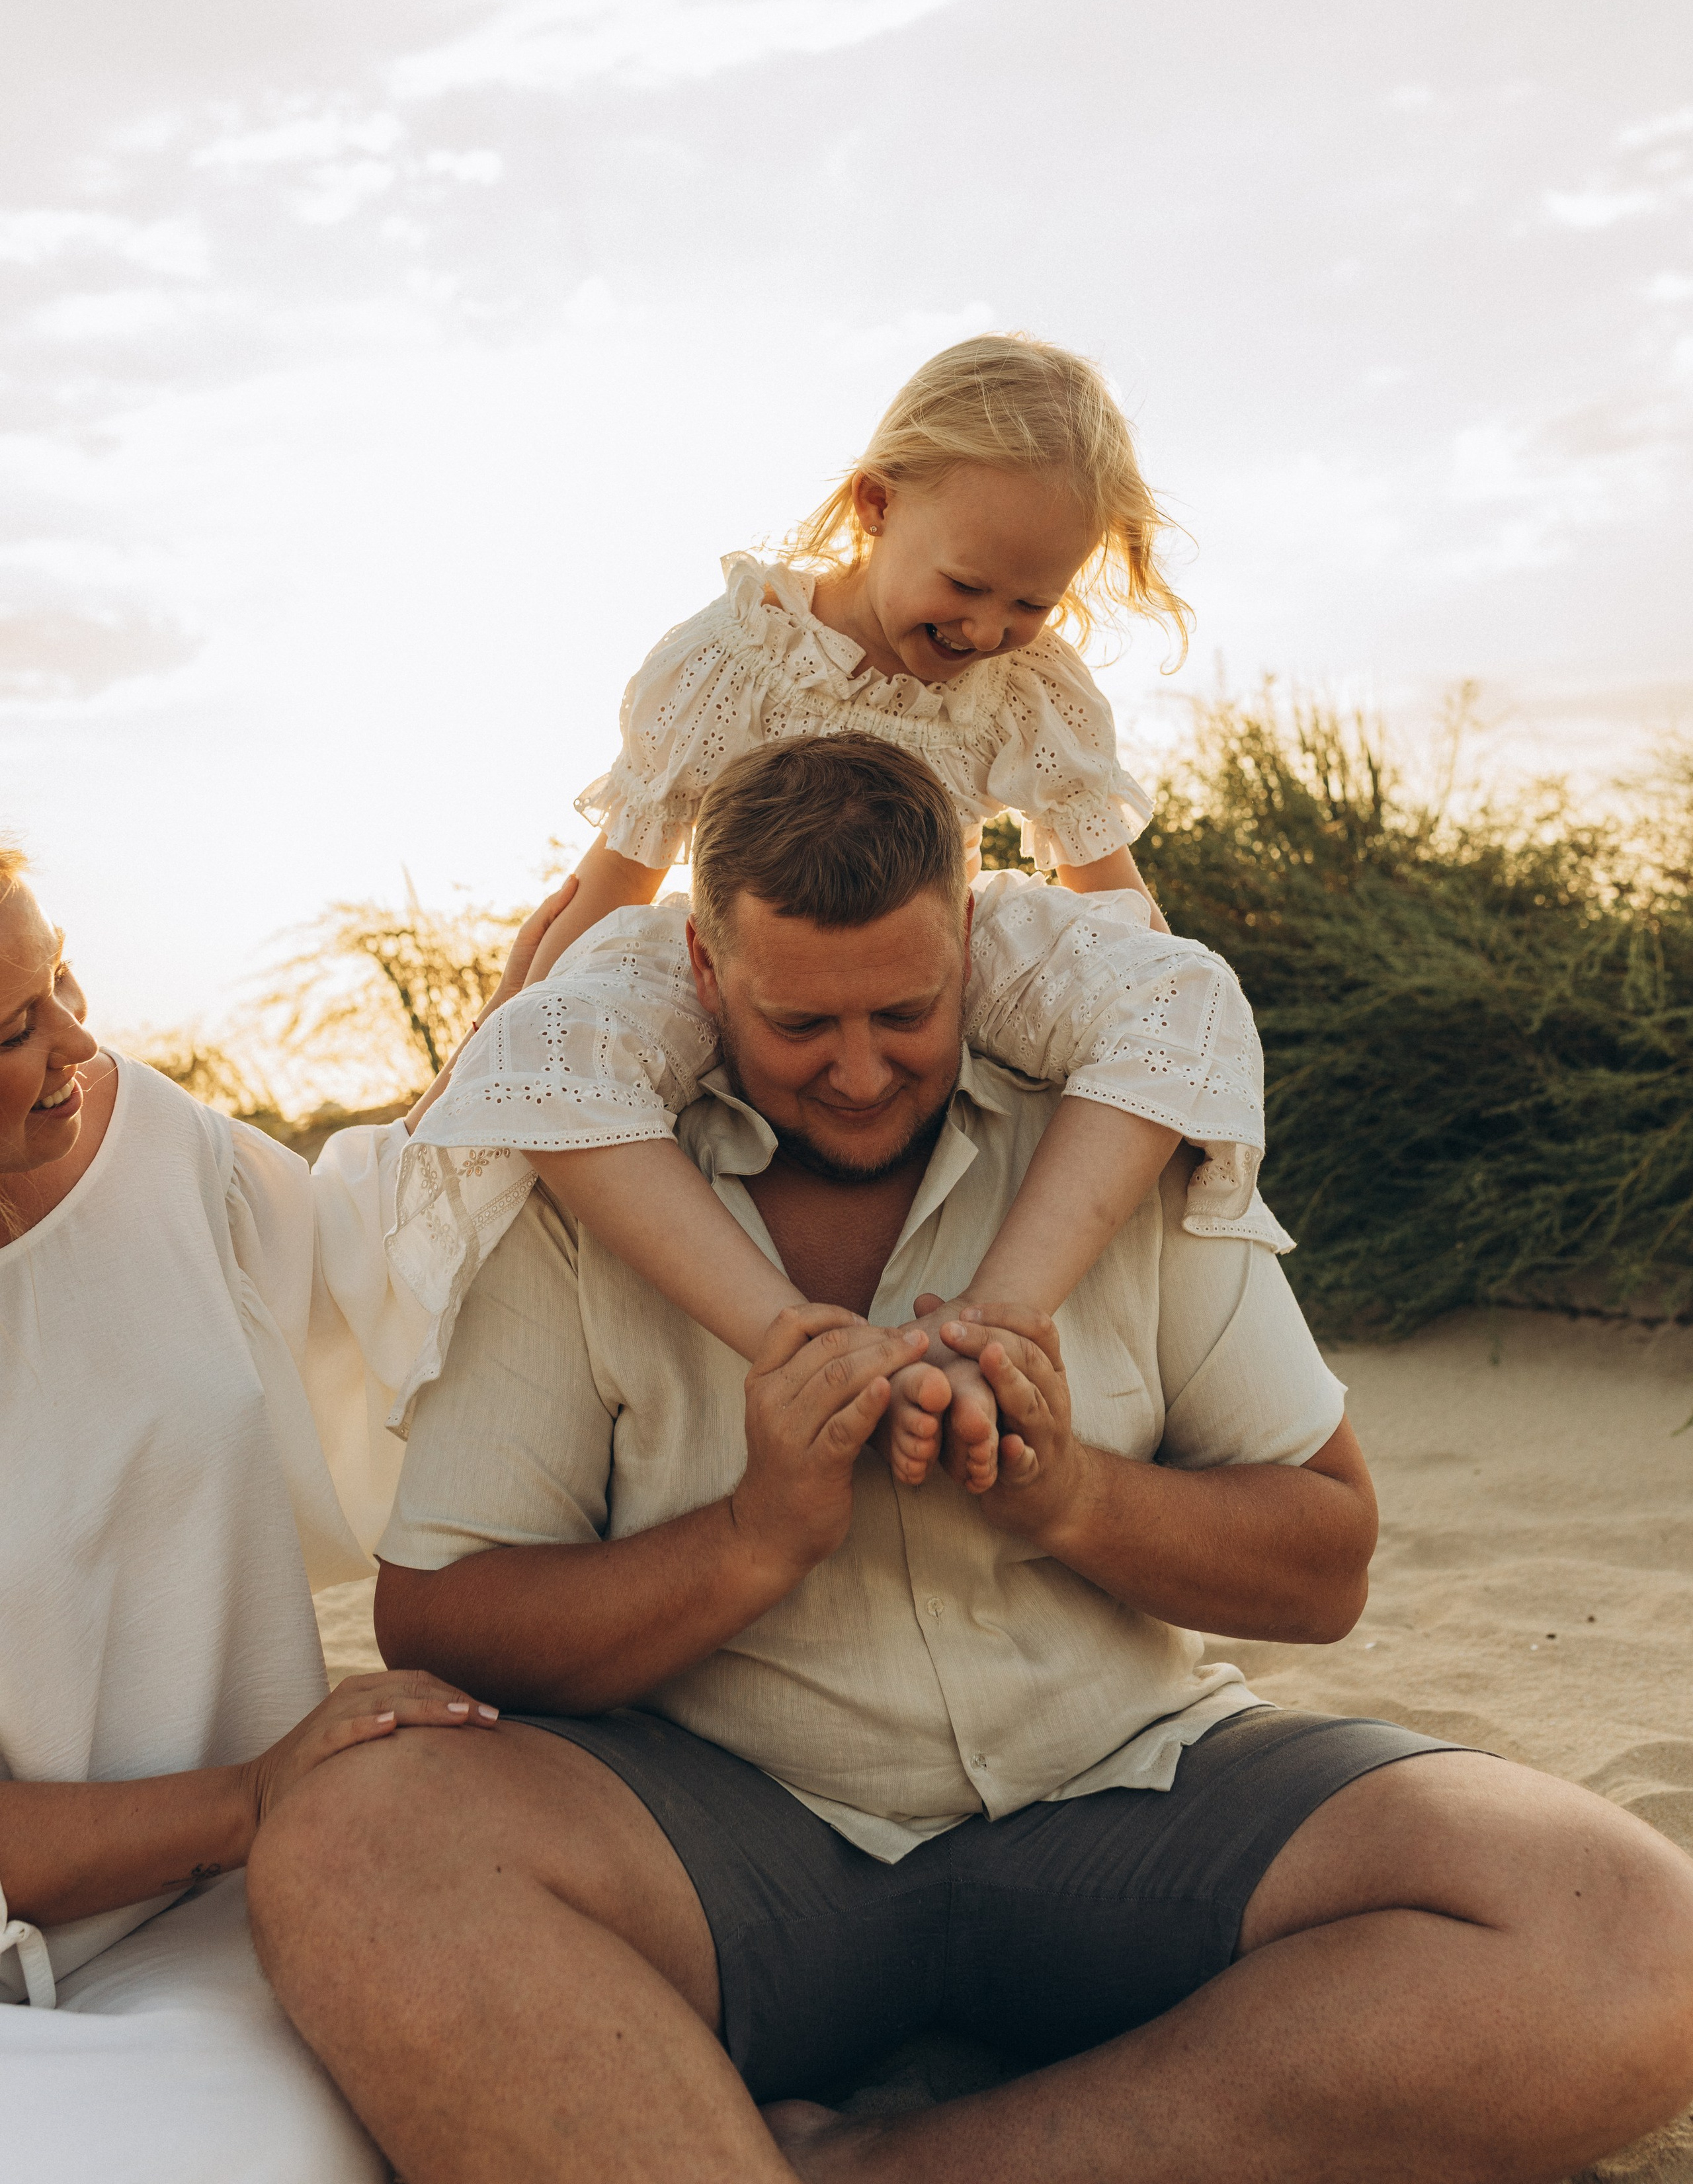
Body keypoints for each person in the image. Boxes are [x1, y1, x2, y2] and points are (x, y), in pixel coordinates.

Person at [246, 739, 1693, 2184]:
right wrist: (755, 1538)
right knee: (358, 1836)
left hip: (1131, 1786)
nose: (861, 1072)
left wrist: (1073, 1495)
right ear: (701, 967)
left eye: (907, 1011)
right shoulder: (581, 1190)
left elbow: (1326, 1563)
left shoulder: (1119, 1147)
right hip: (720, 1836)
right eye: (799, 1023)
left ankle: (901, 2165)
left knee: (1628, 1932)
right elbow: (435, 1616)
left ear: (971, 945)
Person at [403, 333, 1283, 1494]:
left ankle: (996, 1319)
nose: (988, 629)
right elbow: (617, 880)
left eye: (1033, 600)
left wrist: (1148, 1031)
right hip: (737, 945)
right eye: (966, 585)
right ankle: (796, 1338)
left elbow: (1112, 897)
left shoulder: (1030, 683)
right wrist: (500, 1040)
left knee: (1191, 994)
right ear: (877, 504)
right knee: (541, 1056)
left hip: (945, 936)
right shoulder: (734, 655)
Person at [0, 842, 570, 2181]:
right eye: (18, 1024)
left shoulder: (157, 1145)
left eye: (62, 972)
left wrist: (579, 937)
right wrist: (255, 1792)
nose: (83, 1036)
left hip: (200, 1928)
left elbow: (387, 1270)